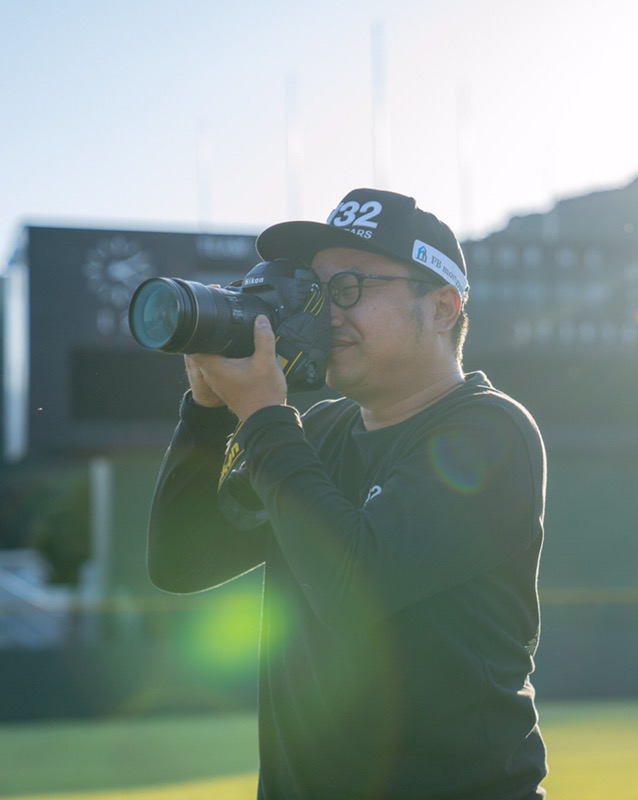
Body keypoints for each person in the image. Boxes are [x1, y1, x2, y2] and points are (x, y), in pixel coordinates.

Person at [146, 189, 549, 799]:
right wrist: (207, 410)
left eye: (350, 289)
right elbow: (180, 561)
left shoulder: (489, 433)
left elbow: (356, 588)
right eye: (315, 290)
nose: (323, 313)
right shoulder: (317, 432)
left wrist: (261, 412)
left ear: (443, 307)